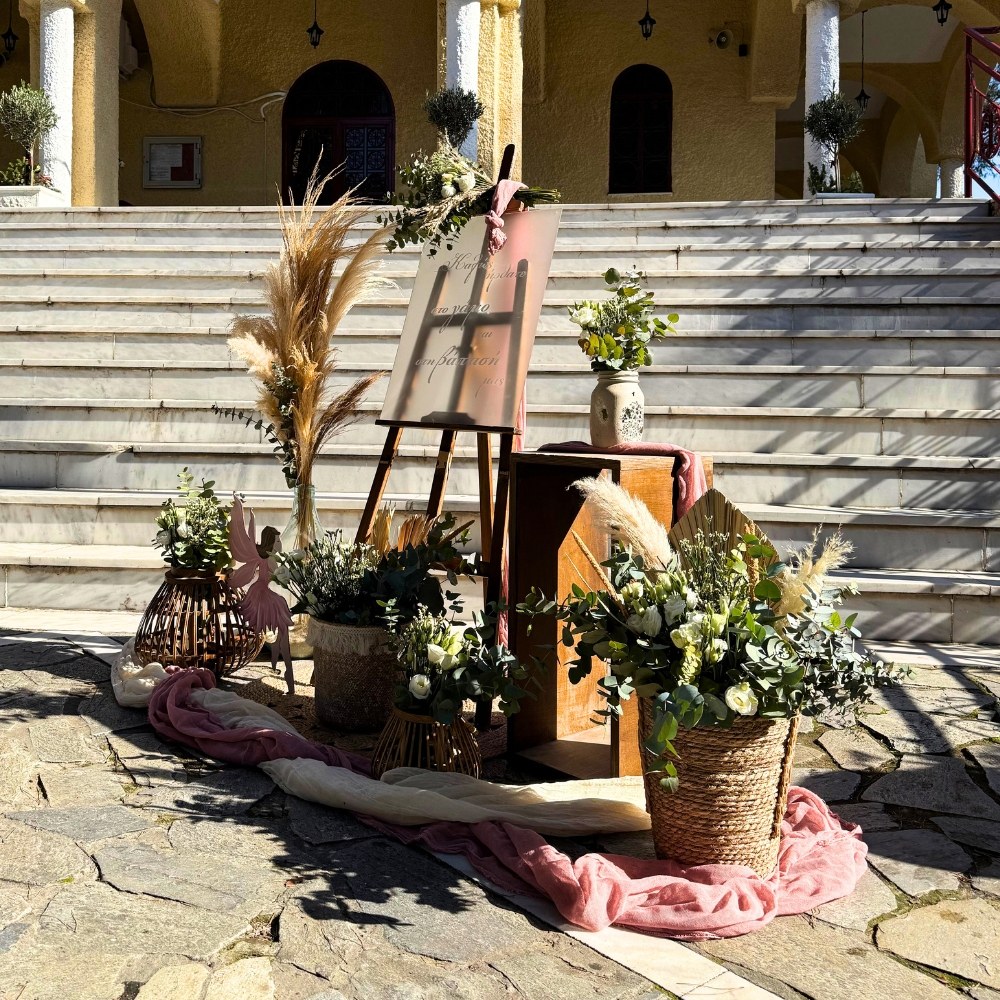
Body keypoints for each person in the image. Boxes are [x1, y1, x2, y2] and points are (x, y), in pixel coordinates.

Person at [229, 495, 296, 694]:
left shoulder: (261, 557)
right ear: (271, 541)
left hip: (259, 592)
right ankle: (288, 671)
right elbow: (281, 577)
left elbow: (248, 537)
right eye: (276, 540)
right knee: (282, 618)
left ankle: (277, 662)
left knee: (281, 615)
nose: (279, 543)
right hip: (261, 595)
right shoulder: (271, 560)